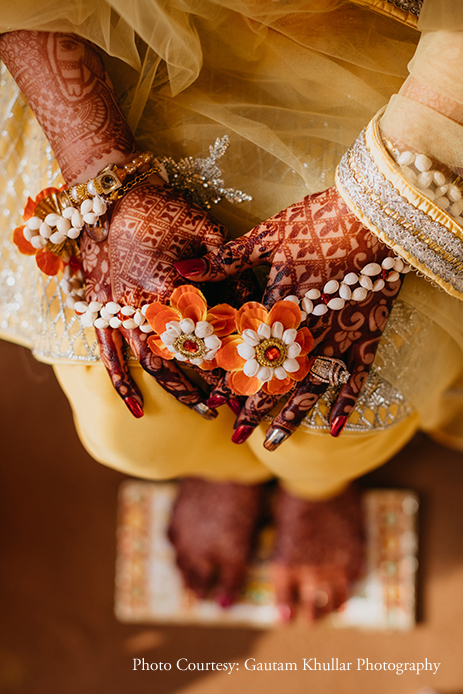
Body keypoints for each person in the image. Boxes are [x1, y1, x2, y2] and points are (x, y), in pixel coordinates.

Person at [1, 0, 463, 622]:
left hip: (412, 86)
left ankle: (316, 484)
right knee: (128, 404)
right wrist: (102, 173)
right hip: (134, 45)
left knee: (337, 404)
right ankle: (224, 468)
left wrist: (380, 208)